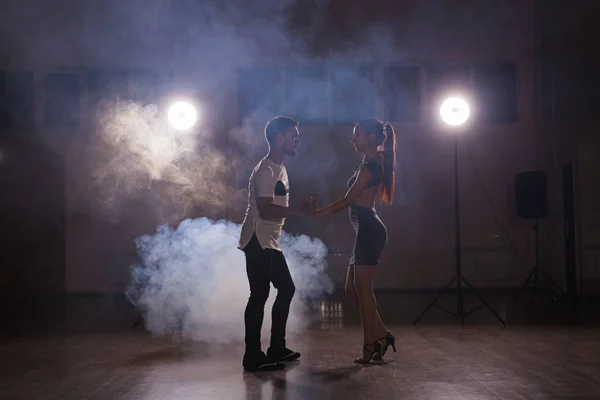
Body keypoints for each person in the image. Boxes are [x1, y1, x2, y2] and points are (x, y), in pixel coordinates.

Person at [313, 119, 396, 363]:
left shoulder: (370, 166)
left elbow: (349, 200)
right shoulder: (368, 164)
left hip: (369, 230)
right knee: (352, 290)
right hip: (365, 230)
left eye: (356, 135)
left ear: (370, 138)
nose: (353, 139)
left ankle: (370, 346)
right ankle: (384, 335)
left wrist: (320, 213)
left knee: (363, 290)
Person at [238, 116, 315, 372]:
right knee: (270, 292)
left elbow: (277, 208)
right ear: (279, 138)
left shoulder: (280, 169)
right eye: (293, 135)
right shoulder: (266, 169)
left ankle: (272, 349)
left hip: (267, 240)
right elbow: (266, 209)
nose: (297, 140)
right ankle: (255, 354)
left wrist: (298, 211)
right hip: (259, 239)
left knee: (267, 293)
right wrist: (301, 211)